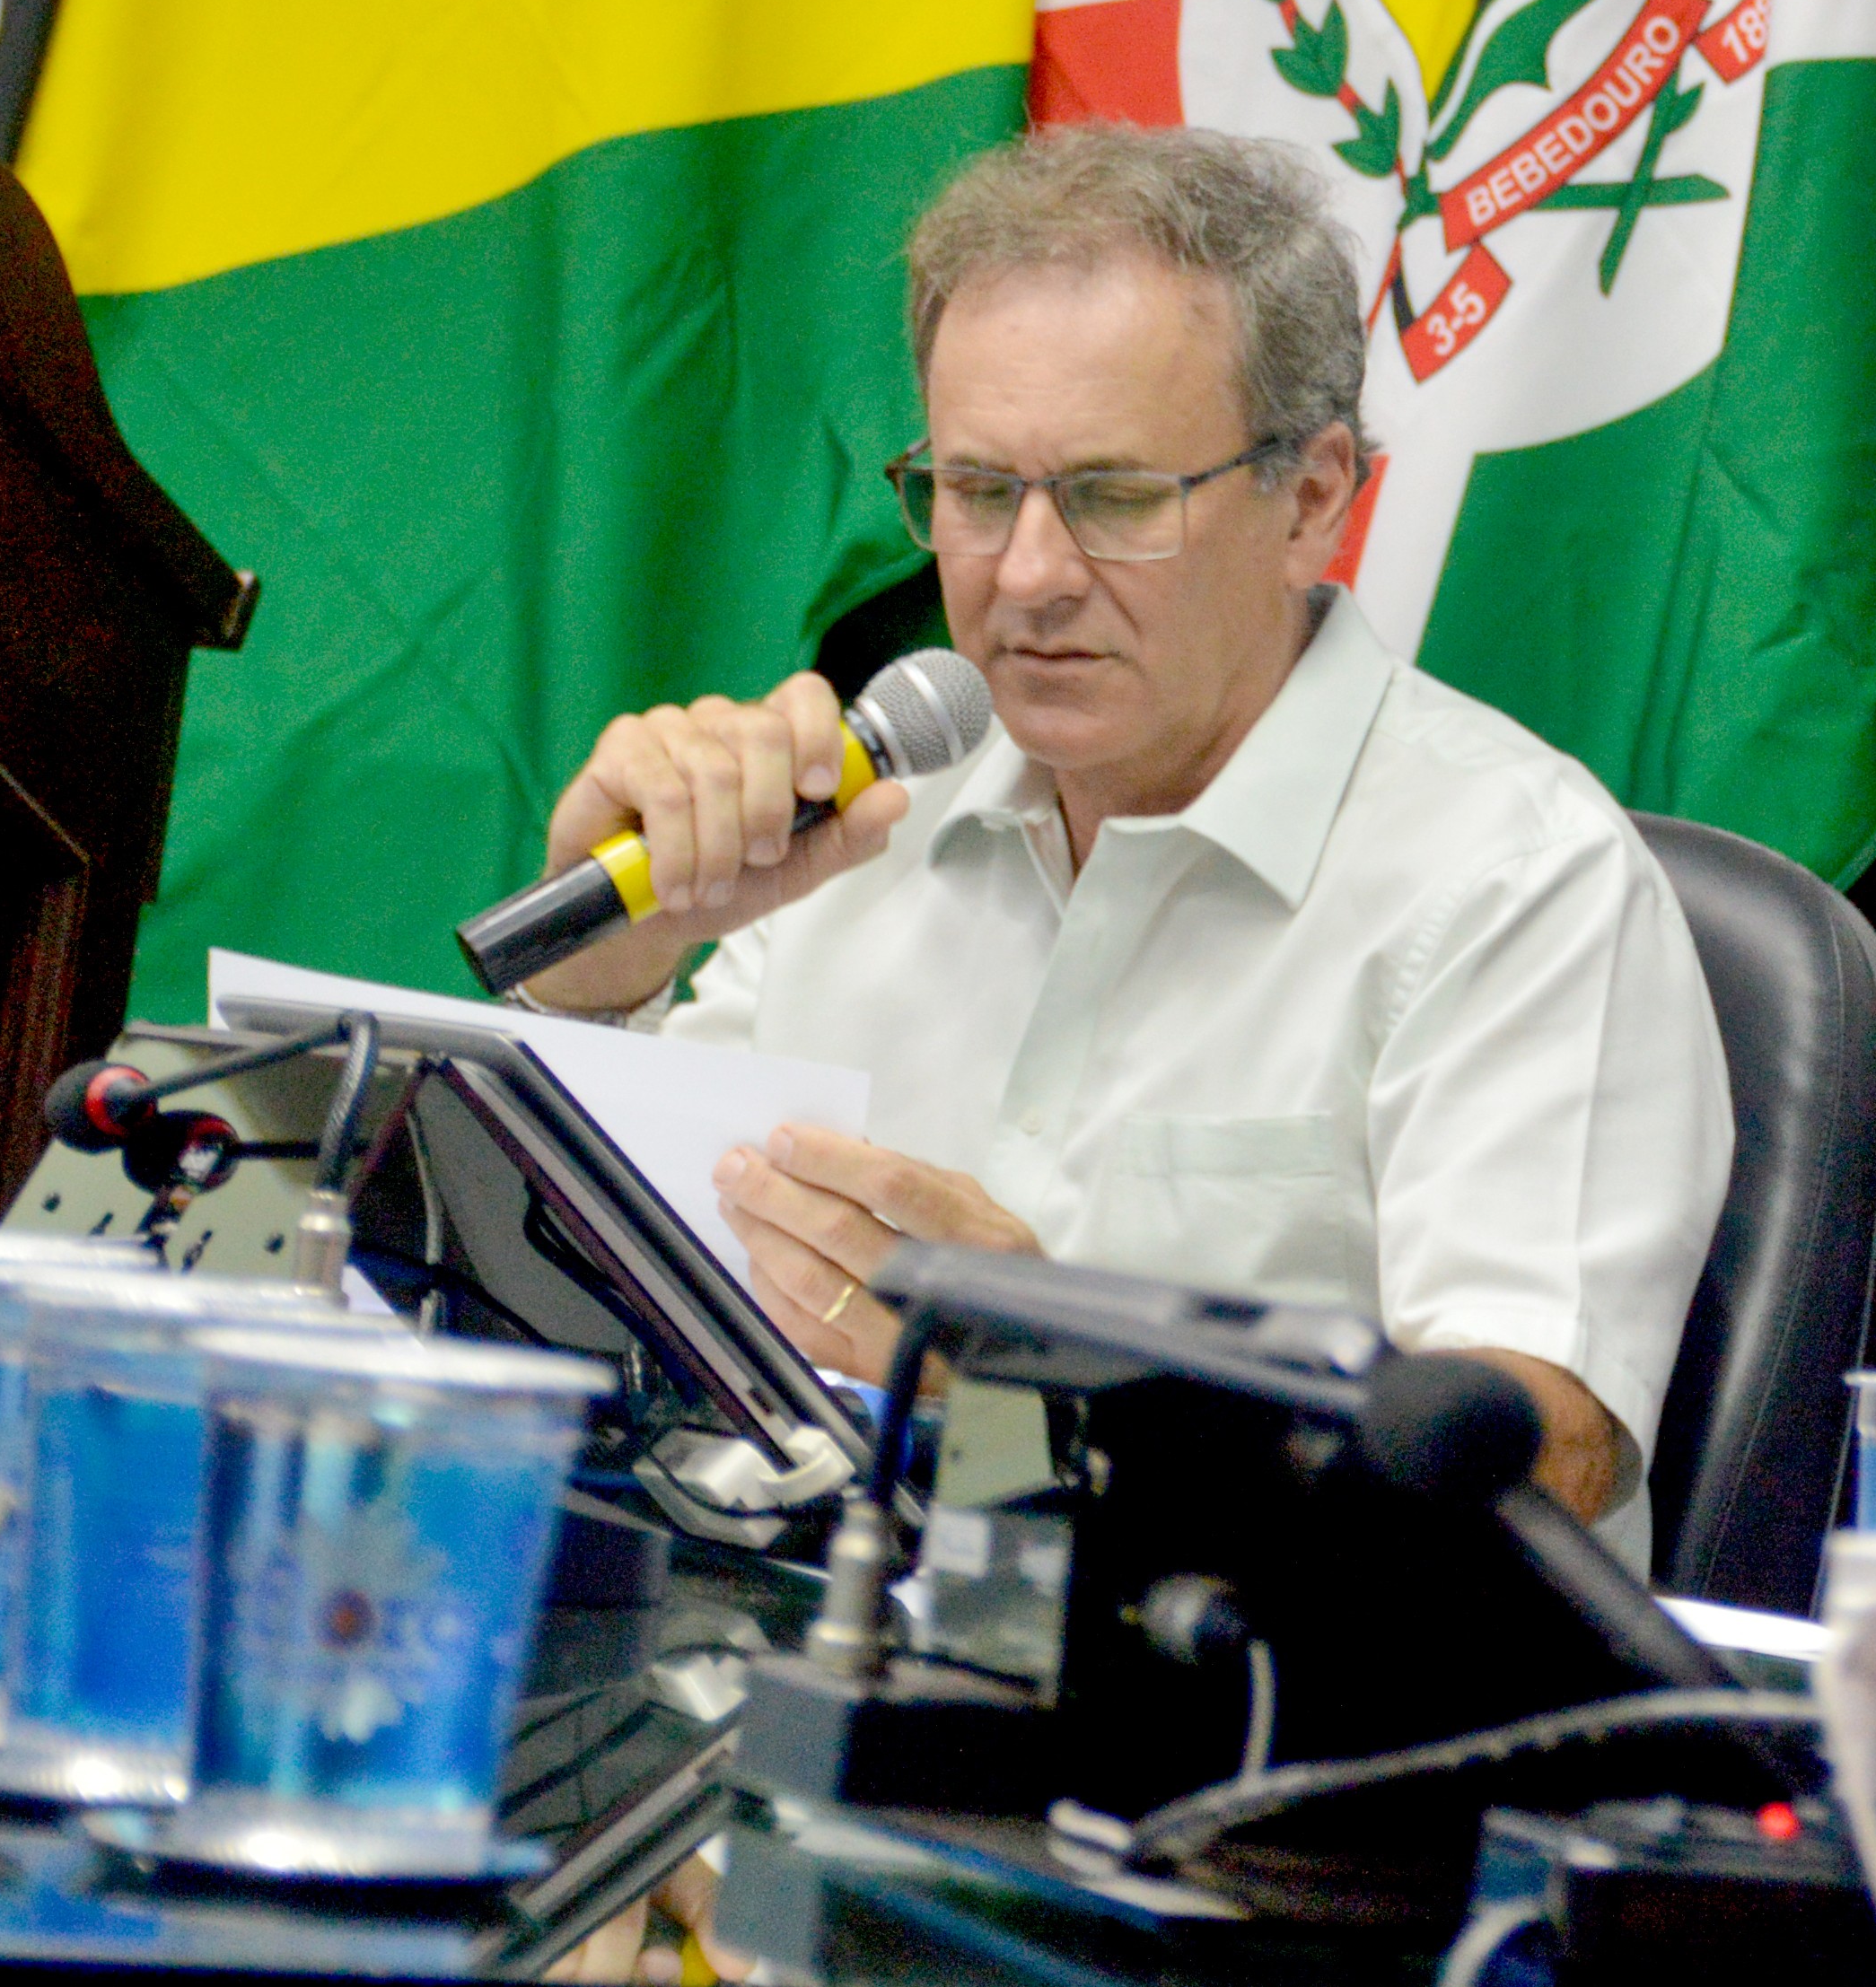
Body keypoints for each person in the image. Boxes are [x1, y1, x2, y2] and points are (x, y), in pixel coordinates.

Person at [504, 124, 1731, 1556]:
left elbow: (1536, 1467)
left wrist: (1063, 1381)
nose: (1028, 576)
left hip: (1272, 1737)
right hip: (819, 1647)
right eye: (975, 493)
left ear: (1314, 499)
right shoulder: (872, 806)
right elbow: (632, 1281)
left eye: (1114, 499)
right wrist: (605, 970)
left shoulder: (1517, 879)